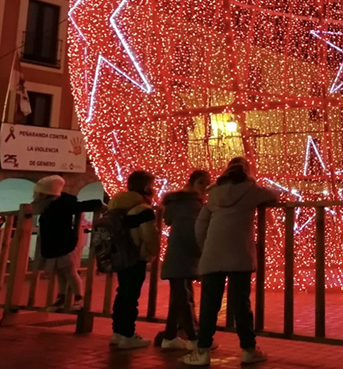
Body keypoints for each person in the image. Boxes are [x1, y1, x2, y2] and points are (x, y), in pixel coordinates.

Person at [183, 157, 279, 366]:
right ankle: (248, 349)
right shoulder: (251, 191)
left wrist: (206, 247)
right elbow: (274, 193)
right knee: (241, 305)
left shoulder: (213, 195)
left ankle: (202, 351)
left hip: (213, 255)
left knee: (209, 305)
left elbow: (200, 226)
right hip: (239, 256)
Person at [32, 175, 105, 312]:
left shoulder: (61, 204)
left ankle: (79, 298)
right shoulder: (49, 205)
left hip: (64, 244)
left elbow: (81, 206)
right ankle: (62, 297)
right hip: (54, 244)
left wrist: (99, 204)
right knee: (60, 273)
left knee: (70, 272)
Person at [159, 170, 211, 351]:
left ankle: (170, 336)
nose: (205, 188)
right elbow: (189, 233)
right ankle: (194, 338)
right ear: (192, 183)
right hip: (184, 256)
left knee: (180, 296)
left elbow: (170, 221)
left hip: (178, 256)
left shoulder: (179, 203)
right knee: (184, 297)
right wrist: (200, 252)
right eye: (201, 183)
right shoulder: (192, 205)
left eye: (207, 184)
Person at [109, 170, 160, 350]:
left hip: (120, 254)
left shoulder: (117, 206)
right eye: (152, 186)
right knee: (131, 296)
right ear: (146, 188)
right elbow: (149, 235)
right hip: (136, 255)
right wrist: (153, 252)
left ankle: (118, 332)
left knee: (122, 293)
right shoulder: (142, 209)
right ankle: (128, 335)